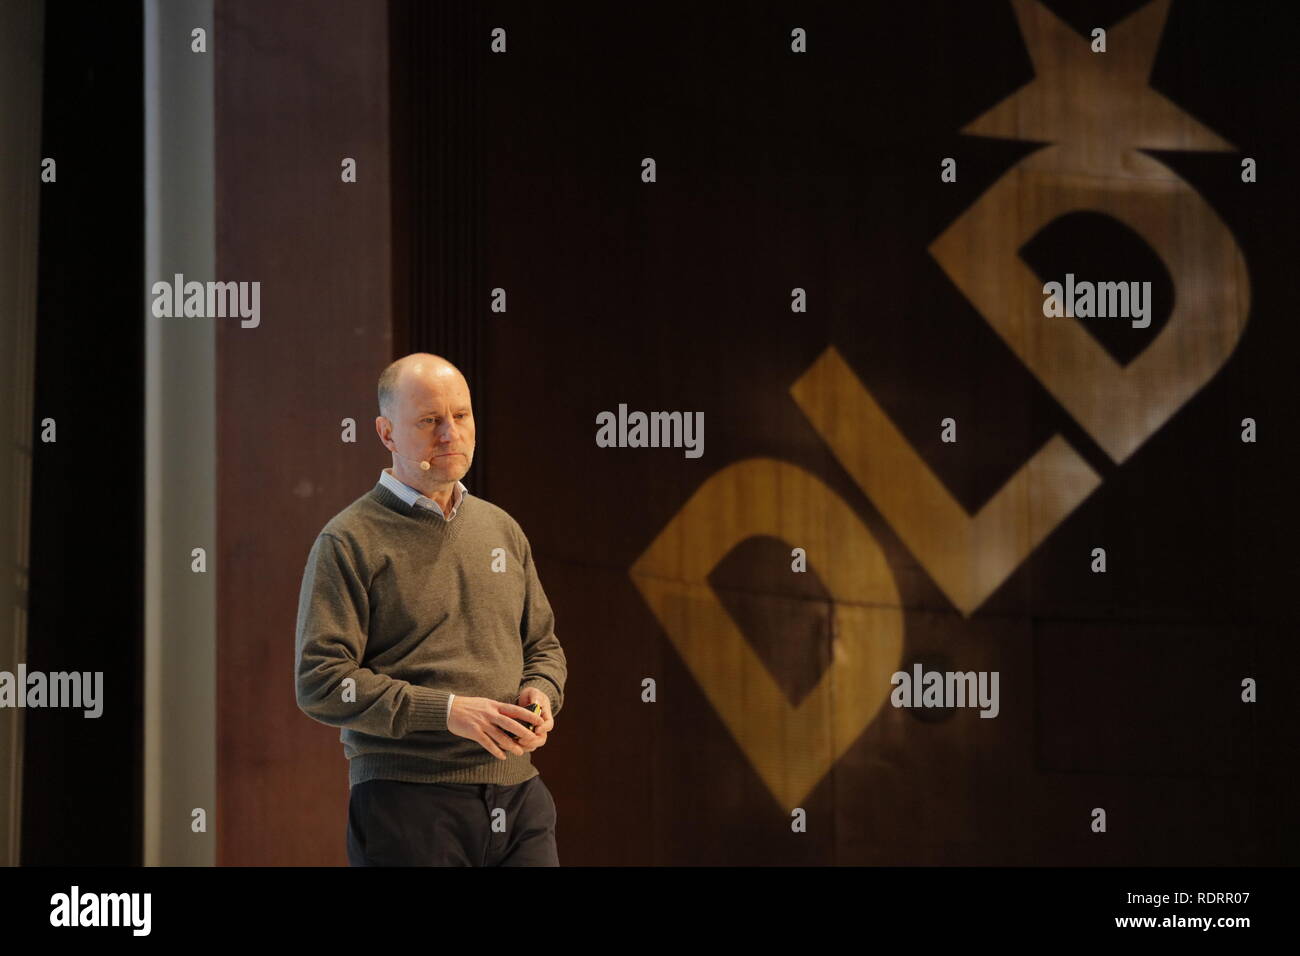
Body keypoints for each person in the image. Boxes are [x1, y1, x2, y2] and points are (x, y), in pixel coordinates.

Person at [294, 352, 567, 865]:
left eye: (460, 416)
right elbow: (321, 682)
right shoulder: (349, 539)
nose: (450, 434)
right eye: (429, 421)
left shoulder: (501, 528)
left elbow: (543, 646)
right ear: (386, 432)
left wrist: (542, 691)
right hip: (407, 797)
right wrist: (446, 711)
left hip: (519, 794)